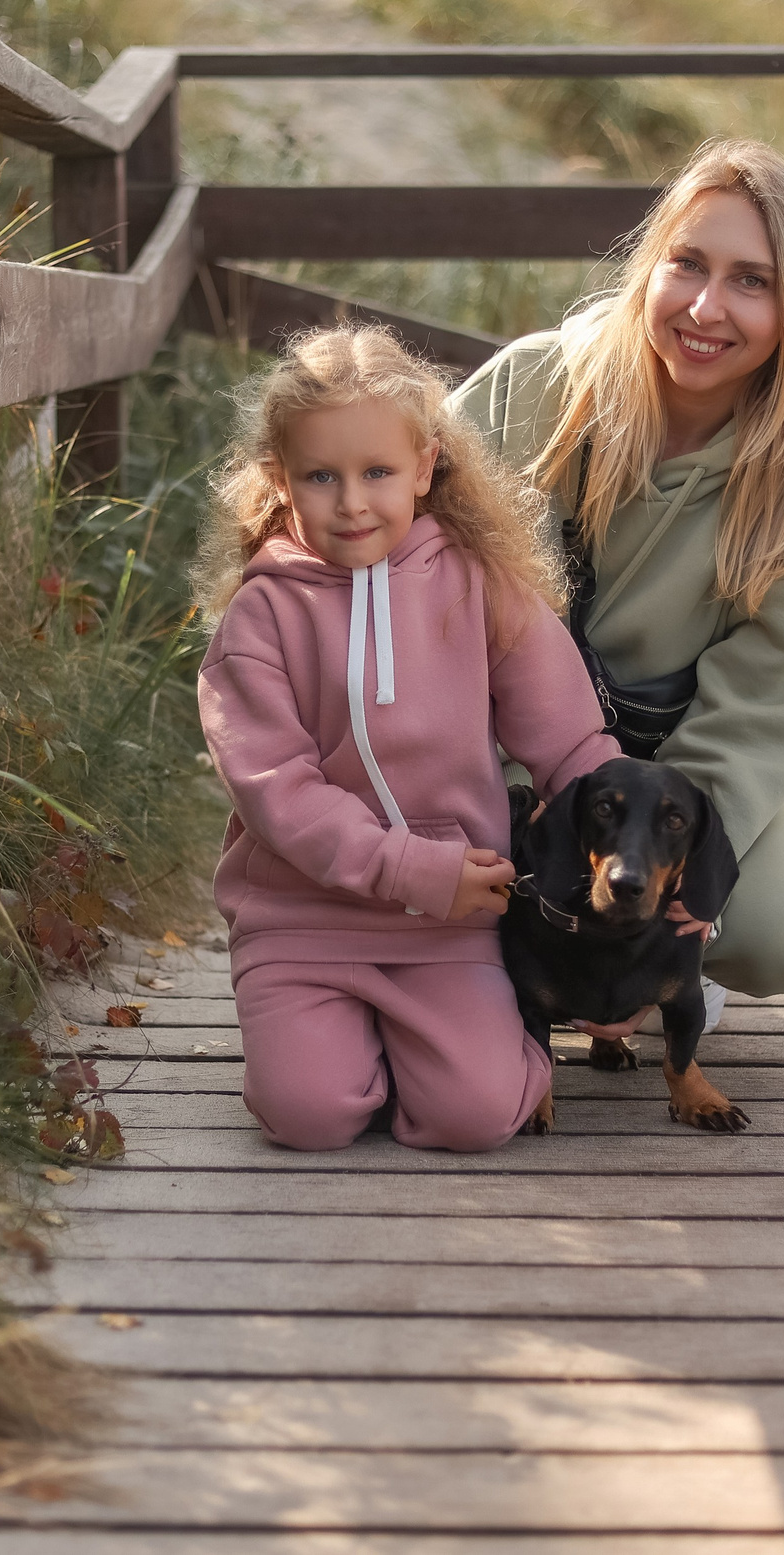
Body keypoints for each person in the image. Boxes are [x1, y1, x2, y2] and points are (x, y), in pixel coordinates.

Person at [447, 135, 784, 1022]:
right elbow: (394, 533)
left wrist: (668, 869)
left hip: (680, 773)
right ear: (651, 267)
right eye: (689, 264)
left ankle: (677, 969)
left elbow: (763, 715)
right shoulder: (537, 387)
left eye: (753, 281)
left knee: (783, 926)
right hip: (498, 743)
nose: (708, 308)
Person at [196, 326, 620, 1153]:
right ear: (281, 483)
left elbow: (572, 744)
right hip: (301, 921)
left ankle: (469, 1054)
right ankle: (343, 1052)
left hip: (452, 922)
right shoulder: (260, 618)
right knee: (308, 1114)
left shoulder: (481, 586)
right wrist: (410, 869)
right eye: (321, 477)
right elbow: (278, 793)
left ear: (425, 466)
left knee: (475, 1117)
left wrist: (619, 844)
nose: (352, 501)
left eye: (378, 472)